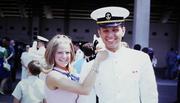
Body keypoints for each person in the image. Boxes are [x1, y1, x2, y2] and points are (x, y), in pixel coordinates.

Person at [89, 6, 158, 103]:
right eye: (105, 30)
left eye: (115, 29)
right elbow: (87, 98)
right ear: (99, 33)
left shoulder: (141, 59)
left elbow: (149, 96)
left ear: (123, 31)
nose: (110, 35)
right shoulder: (91, 64)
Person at [44, 34, 107, 103]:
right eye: (59, 53)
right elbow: (85, 90)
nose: (64, 56)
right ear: (52, 54)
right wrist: (97, 61)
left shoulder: (71, 72)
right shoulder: (53, 76)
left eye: (67, 52)